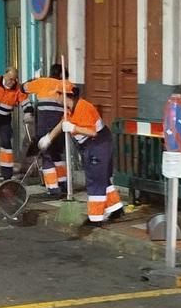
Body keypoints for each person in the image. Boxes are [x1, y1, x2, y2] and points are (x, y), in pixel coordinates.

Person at [39, 93, 123, 226]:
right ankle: (116, 208)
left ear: (67, 96)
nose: (55, 99)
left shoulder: (84, 107)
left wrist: (74, 128)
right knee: (101, 178)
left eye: (57, 95)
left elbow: (92, 132)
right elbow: (62, 123)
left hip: (97, 143)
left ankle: (95, 218)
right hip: (90, 144)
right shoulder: (69, 109)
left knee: (95, 180)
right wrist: (49, 137)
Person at [23, 63, 75, 196]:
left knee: (47, 157)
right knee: (58, 155)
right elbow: (75, 94)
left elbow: (23, 88)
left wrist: (34, 79)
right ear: (63, 75)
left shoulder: (42, 82)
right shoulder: (67, 85)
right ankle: (63, 184)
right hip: (60, 128)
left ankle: (53, 188)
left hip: (44, 127)